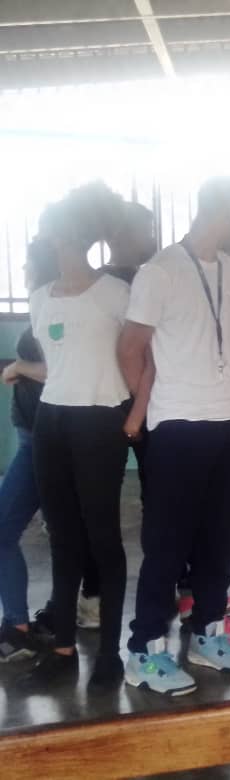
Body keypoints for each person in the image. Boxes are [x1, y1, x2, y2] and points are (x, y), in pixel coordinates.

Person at [119, 177, 230, 695]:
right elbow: (131, 348)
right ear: (220, 209)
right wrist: (149, 405)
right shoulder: (160, 271)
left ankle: (208, 634)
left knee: (220, 542)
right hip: (178, 426)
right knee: (167, 544)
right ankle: (144, 650)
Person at [22, 183, 132, 689]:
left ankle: (109, 651)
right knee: (63, 537)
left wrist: (136, 415)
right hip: (51, 421)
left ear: (69, 237)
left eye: (52, 231)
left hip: (100, 420)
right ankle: (64, 646)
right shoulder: (40, 298)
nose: (46, 239)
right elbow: (58, 366)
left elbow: (140, 357)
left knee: (102, 536)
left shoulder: (115, 293)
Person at [0, 239, 59, 663]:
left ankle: (18, 628)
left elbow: (58, 369)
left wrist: (18, 368)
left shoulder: (54, 306)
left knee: (2, 531)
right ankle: (24, 624)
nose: (22, 271)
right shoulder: (46, 304)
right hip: (34, 436)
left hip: (42, 440)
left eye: (26, 264)